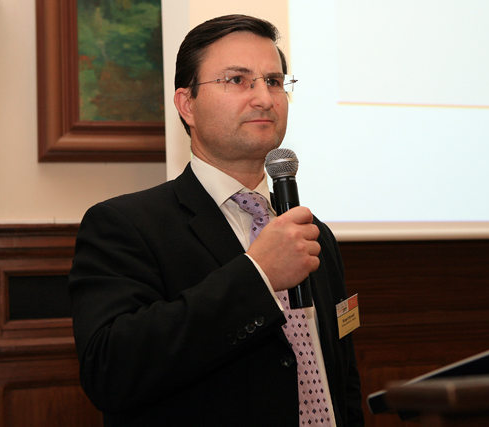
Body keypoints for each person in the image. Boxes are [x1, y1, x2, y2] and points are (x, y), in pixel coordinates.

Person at [69, 14, 364, 427]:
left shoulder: (313, 234)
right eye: (238, 80)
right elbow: (110, 371)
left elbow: (342, 379)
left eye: (274, 81)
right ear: (187, 104)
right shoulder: (123, 226)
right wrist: (258, 276)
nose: (264, 98)